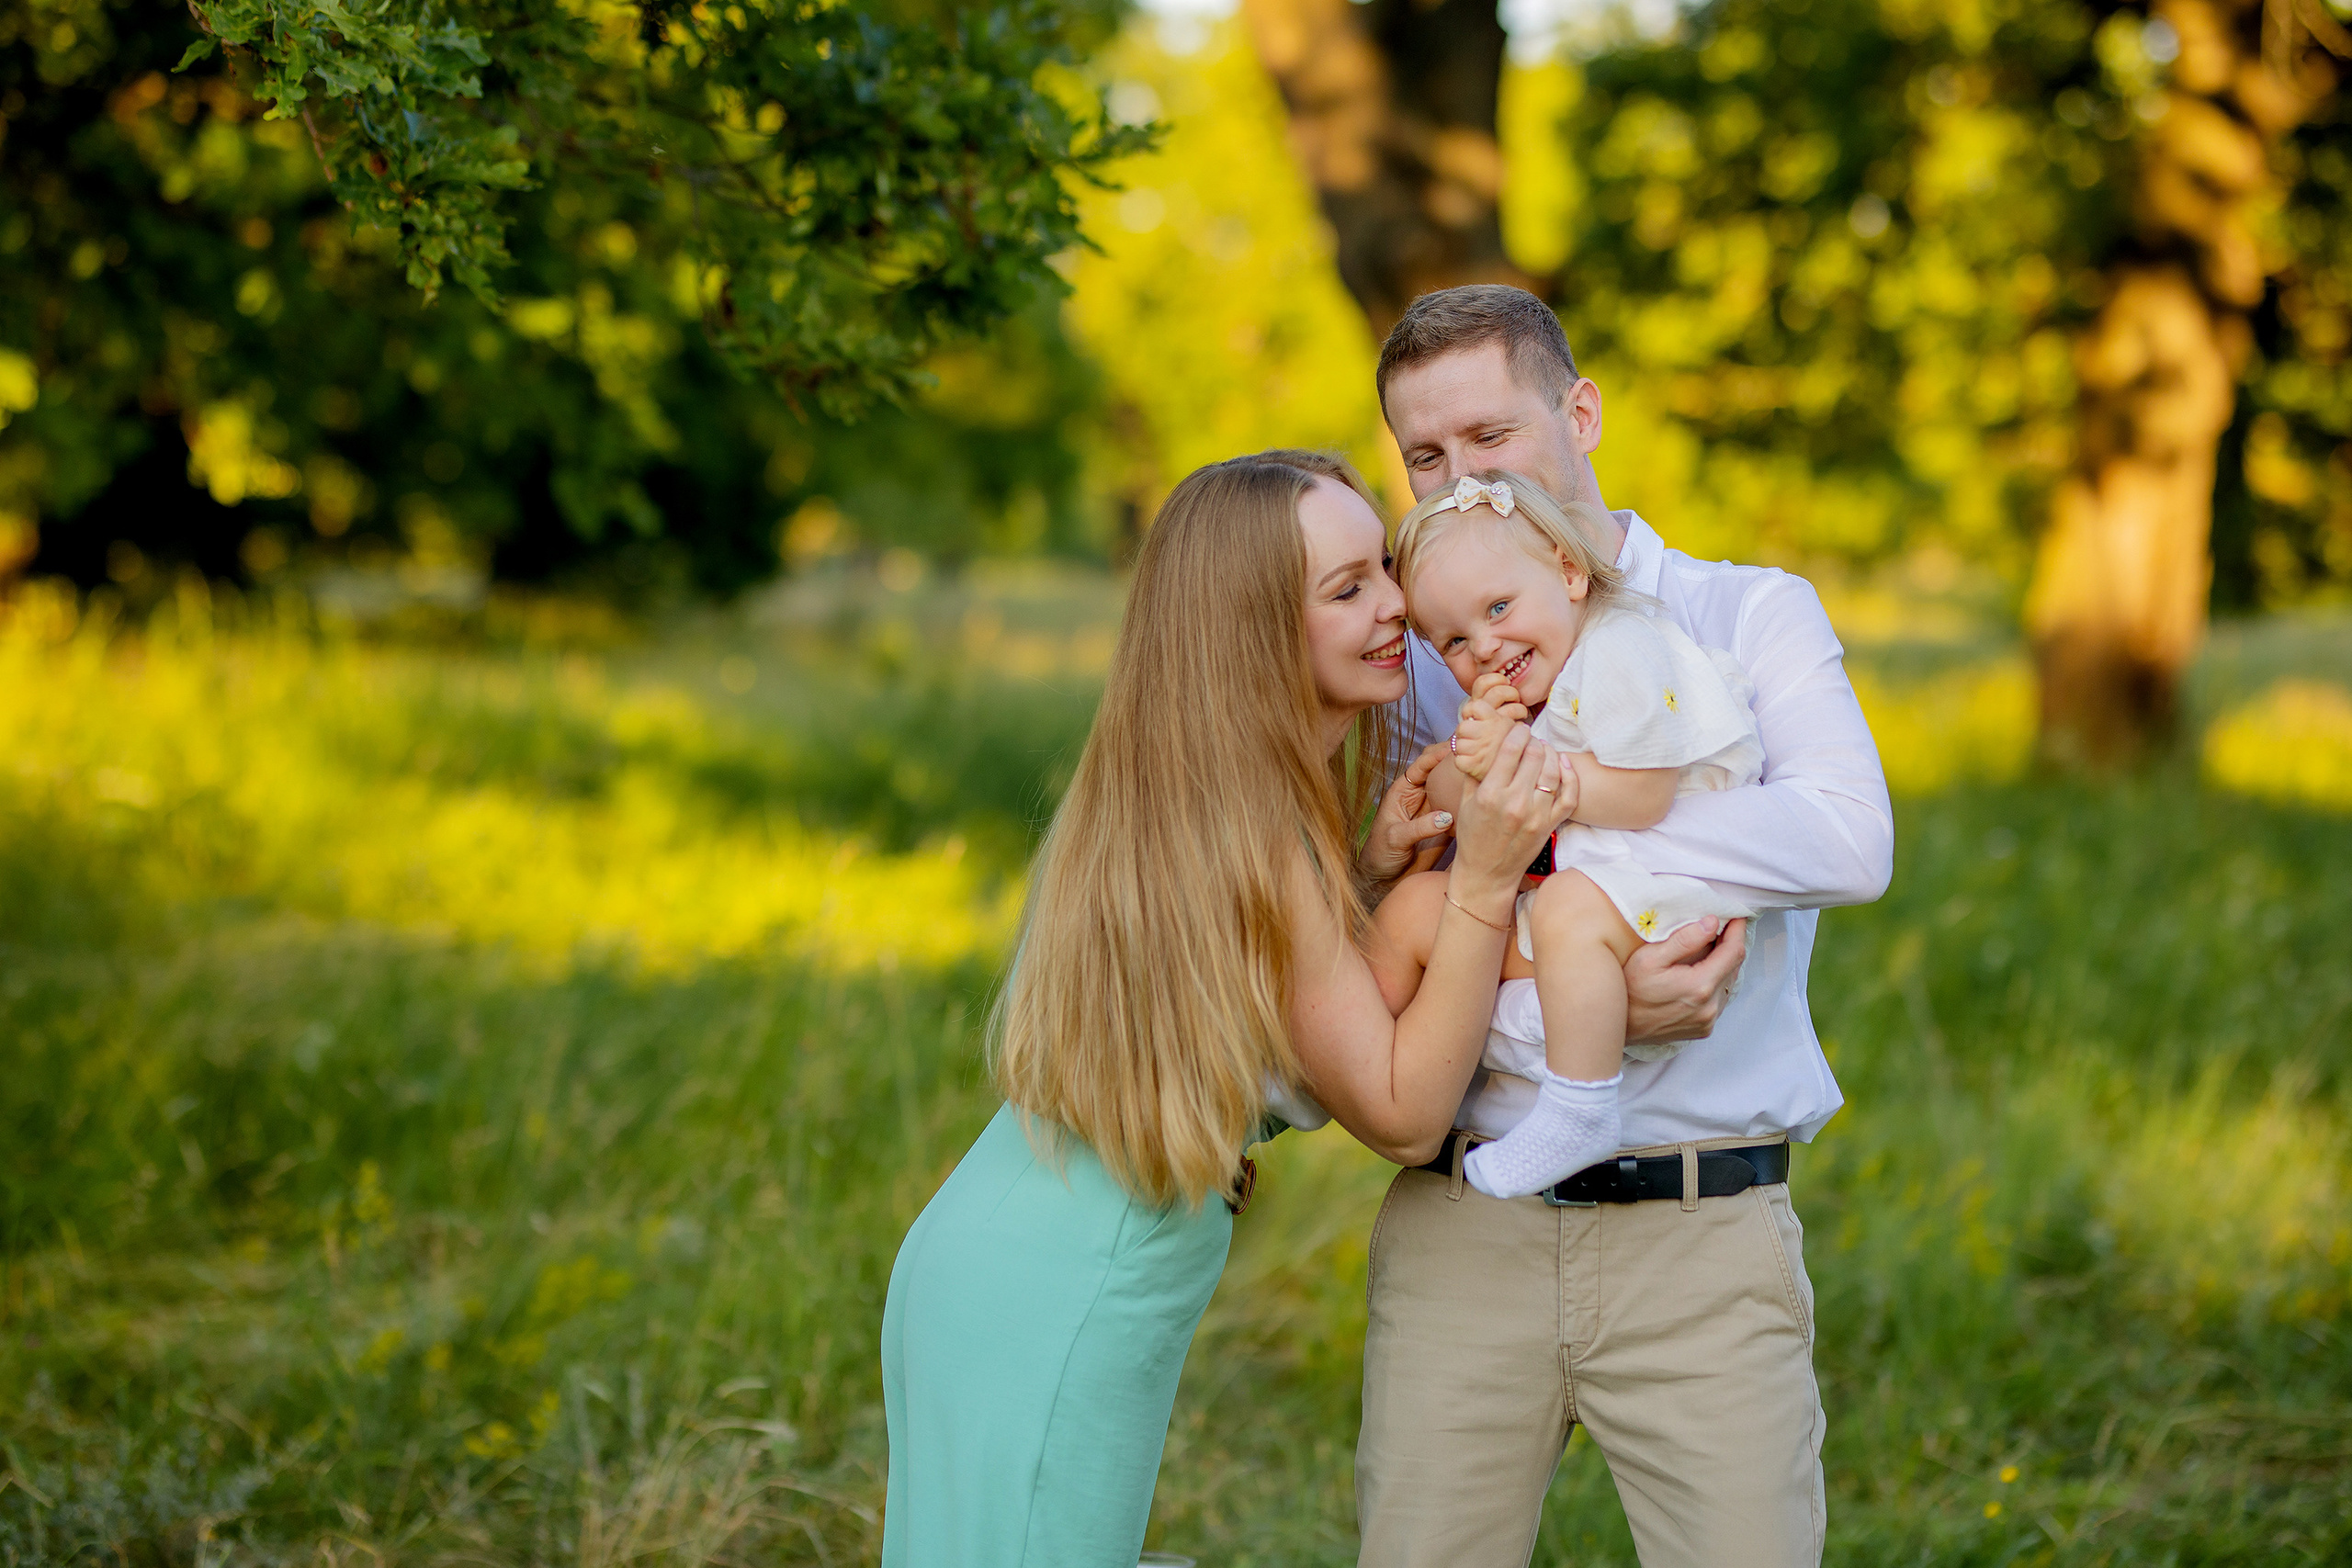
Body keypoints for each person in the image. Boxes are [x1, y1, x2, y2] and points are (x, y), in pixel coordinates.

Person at [878, 450, 1580, 1567]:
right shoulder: (1260, 834)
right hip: (1069, 1268)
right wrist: (1484, 885)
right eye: (1346, 588)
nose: (1397, 603)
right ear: (1253, 632)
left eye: (1383, 570)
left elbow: (1251, 997)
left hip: (1004, 1232)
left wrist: (1361, 880)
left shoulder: (1210, 797)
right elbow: (1401, 1113)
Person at [1354, 284, 1894, 1567]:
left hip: (1703, 1231)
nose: (1458, 477)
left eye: (1489, 438)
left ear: (1580, 412)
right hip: (1465, 1223)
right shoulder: (1424, 657)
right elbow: (1381, 916)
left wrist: (1581, 852)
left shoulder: (1741, 613)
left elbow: (1843, 838)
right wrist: (1550, 975)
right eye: (1424, 455)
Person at [1373, 467, 1769, 1200]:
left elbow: (1647, 794)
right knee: (1413, 906)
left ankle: (1581, 1106)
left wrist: (1530, 768)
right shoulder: (1546, 682)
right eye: (1455, 639)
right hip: (1602, 887)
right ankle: (1352, 1051)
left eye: (1498, 607)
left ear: (1569, 571)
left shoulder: (1623, 648)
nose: (1485, 646)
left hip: (1661, 893)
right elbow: (1482, 800)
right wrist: (1484, 755)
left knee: (1562, 910)